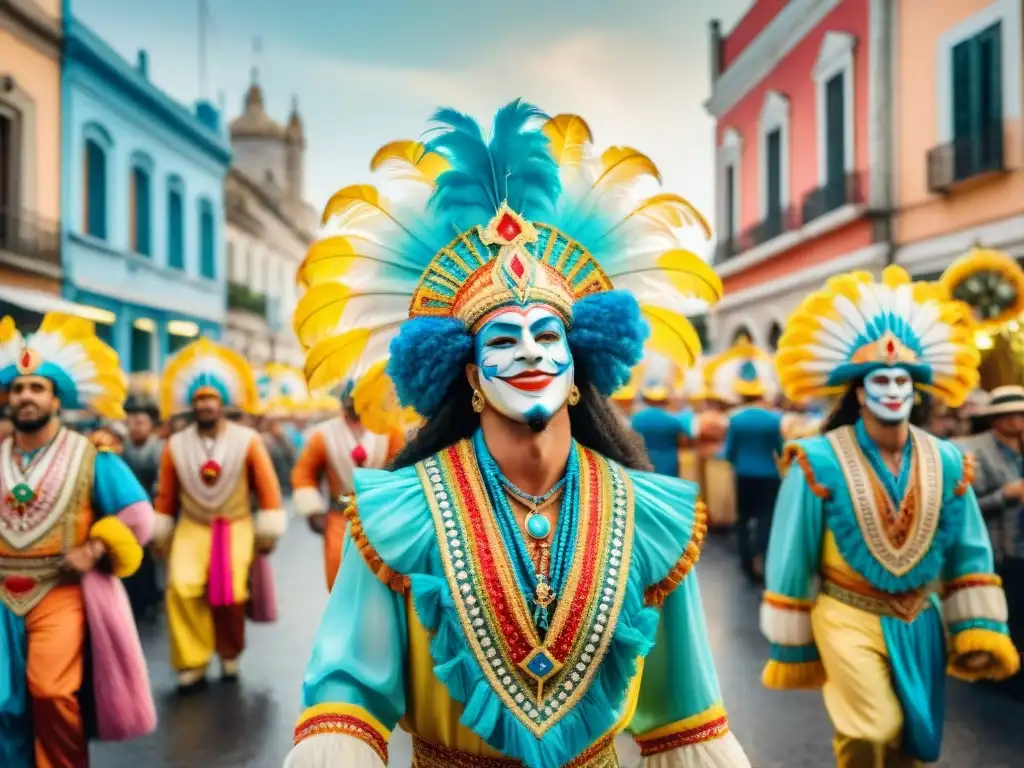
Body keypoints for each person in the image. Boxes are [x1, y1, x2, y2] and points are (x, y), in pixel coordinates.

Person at [285, 101, 748, 767]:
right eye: (503, 338)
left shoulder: (649, 514)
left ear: (577, 364)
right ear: (470, 376)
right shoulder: (398, 515)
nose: (529, 351)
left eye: (546, 334)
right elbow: (347, 693)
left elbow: (685, 713)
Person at [762, 267, 1019, 767]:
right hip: (846, 613)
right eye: (880, 379)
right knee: (872, 729)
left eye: (903, 379)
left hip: (922, 616)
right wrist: (791, 623)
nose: (893, 388)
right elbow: (793, 547)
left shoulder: (947, 459)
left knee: (915, 745)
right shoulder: (817, 460)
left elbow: (969, 544)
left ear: (916, 389)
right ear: (858, 392)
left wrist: (979, 624)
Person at [0, 312, 156, 767]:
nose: (25, 397)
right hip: (2, 591)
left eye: (36, 388)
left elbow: (138, 516)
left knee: (52, 692)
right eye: (17, 389)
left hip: (60, 589)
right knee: (5, 703)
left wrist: (96, 547)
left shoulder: (92, 455)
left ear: (56, 398)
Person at [153, 338, 286, 692]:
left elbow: (268, 487)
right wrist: (161, 532)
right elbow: (166, 494)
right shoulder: (175, 445)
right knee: (181, 588)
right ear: (191, 405)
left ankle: (229, 654)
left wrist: (269, 528)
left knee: (230, 595)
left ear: (223, 403)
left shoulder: (247, 440)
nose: (206, 405)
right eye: (200, 400)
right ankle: (192, 660)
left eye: (212, 399)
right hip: (191, 526)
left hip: (236, 524)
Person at [291, 386, 403, 591]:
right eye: (350, 399)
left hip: (379, 517)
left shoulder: (389, 431)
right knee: (338, 575)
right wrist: (311, 509)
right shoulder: (323, 434)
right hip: (339, 516)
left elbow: (401, 470)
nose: (354, 403)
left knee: (380, 580)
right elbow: (304, 473)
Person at [708, 338, 784, 582]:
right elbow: (779, 449)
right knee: (765, 518)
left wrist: (731, 462)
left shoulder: (736, 419)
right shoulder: (774, 420)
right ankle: (763, 556)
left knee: (744, 517)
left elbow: (729, 450)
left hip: (743, 474)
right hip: (769, 475)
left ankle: (745, 559)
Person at [121, 396, 165, 619]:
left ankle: (153, 598)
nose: (134, 427)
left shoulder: (160, 450)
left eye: (140, 422)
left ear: (151, 425)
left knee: (151, 561)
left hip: (153, 511)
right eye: (131, 422)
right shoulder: (122, 450)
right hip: (126, 516)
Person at [630, 384, 699, 477]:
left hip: (644, 460)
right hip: (668, 462)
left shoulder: (636, 419)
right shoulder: (672, 420)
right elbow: (688, 436)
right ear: (665, 401)